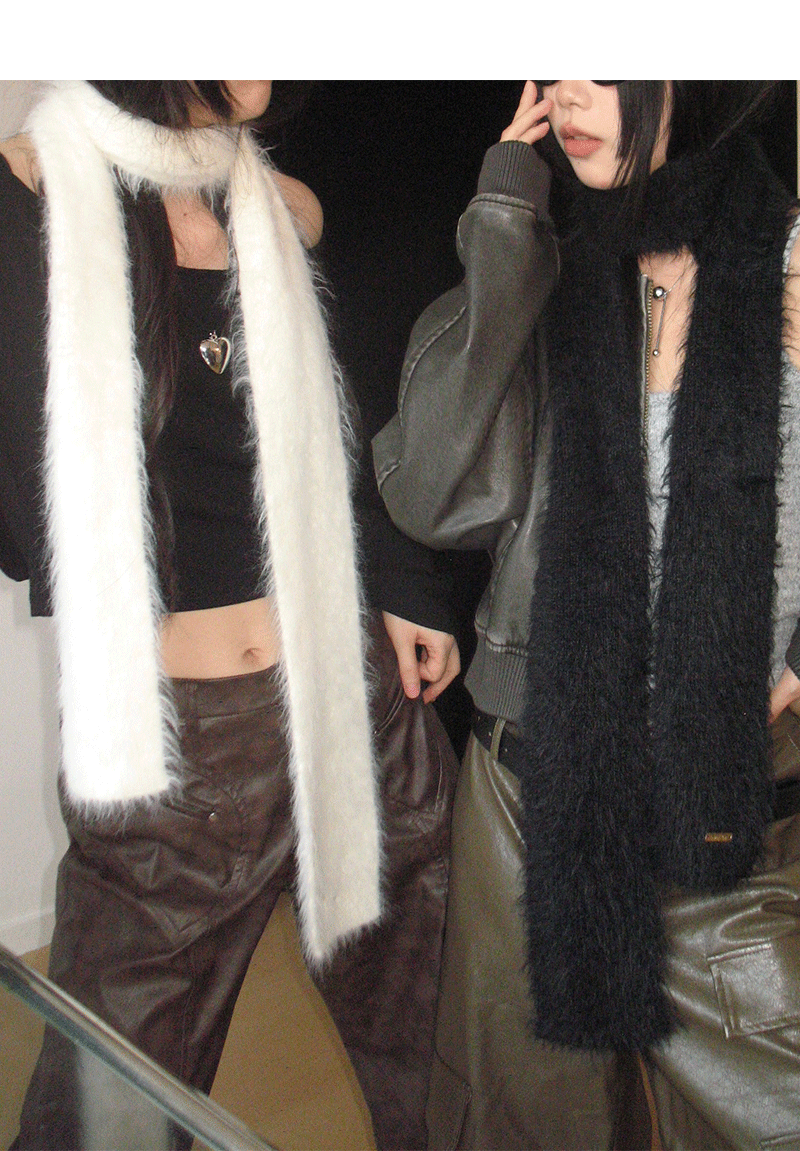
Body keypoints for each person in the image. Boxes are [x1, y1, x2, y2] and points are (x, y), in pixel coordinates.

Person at [0, 80, 458, 1150]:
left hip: (356, 707)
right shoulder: (33, 201)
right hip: (180, 759)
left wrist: (404, 583)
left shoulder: (284, 206)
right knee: (107, 1109)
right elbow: (28, 521)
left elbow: (366, 422)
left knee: (439, 1061)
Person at [373, 80, 800, 1149]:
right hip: (531, 791)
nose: (568, 88)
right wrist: (503, 230)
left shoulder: (784, 262)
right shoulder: (546, 262)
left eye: (606, 54)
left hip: (721, 807)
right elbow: (428, 489)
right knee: (526, 1121)